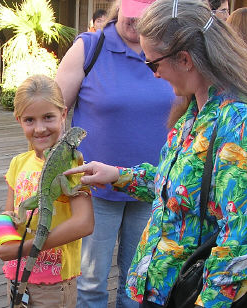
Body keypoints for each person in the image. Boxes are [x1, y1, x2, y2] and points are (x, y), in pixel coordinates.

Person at [65, 0, 247, 307]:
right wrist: (119, 175)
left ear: (185, 59)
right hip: (167, 288)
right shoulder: (195, 110)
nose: (154, 75)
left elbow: (242, 241)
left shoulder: (243, 126)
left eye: (153, 64)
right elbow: (181, 188)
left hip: (195, 294)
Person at [55, 0, 175, 306]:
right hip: (95, 189)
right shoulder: (90, 47)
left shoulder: (170, 49)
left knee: (137, 282)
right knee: (91, 281)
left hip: (153, 188)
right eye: (131, 15)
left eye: (144, 18)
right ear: (119, 6)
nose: (135, 24)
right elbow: (55, 111)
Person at [0, 75, 94, 308]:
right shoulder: (18, 163)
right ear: (19, 120)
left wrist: (22, 248)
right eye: (30, 120)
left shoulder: (75, 162)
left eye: (48, 117)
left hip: (54, 282)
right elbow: (11, 211)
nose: (40, 128)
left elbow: (84, 224)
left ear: (63, 115)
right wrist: (2, 232)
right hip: (16, 275)